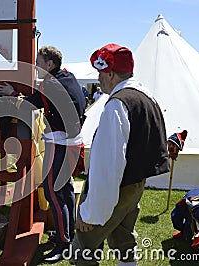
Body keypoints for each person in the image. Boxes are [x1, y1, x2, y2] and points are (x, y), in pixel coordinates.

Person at [72, 44, 170, 265]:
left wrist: (90, 214)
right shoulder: (145, 96)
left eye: (100, 73)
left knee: (84, 247)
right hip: (134, 183)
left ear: (110, 73)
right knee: (122, 237)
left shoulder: (117, 105)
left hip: (119, 185)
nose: (98, 79)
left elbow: (108, 166)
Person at [0, 46, 86, 263]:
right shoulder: (67, 77)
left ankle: (64, 244)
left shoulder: (51, 84)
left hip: (61, 143)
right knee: (66, 190)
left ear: (50, 65)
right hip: (72, 142)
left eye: (39, 61)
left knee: (53, 192)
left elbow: (31, 104)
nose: (35, 65)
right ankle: (69, 233)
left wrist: (12, 94)